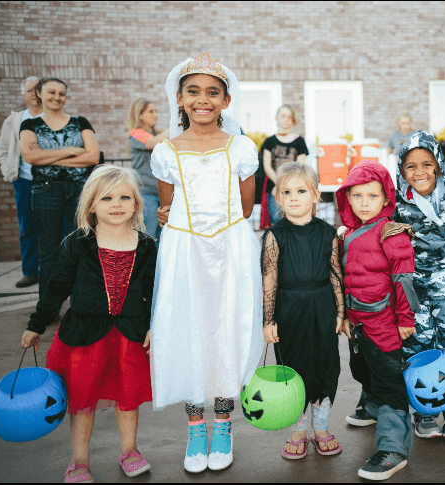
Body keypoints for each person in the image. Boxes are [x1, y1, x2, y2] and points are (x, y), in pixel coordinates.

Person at [149, 53, 263, 474]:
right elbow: (168, 207)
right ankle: (196, 428)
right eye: (193, 92)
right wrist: (170, 216)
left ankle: (223, 423)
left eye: (213, 92)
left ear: (226, 101)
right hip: (185, 253)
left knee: (225, 330)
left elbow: (246, 207)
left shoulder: (241, 148)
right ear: (180, 99)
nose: (203, 100)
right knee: (189, 331)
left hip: (230, 251)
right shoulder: (166, 152)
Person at [20, 165, 156, 482]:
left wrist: (153, 324)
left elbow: (153, 291)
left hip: (130, 335)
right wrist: (37, 324)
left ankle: (130, 451)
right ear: (91, 205)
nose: (116, 204)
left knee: (127, 398)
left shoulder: (147, 245)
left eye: (124, 197)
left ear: (136, 203)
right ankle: (79, 461)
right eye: (106, 198)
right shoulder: (78, 243)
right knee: (82, 401)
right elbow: (57, 286)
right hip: (84, 335)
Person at [335, 161, 418, 480]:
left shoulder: (391, 232)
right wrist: (346, 317)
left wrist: (405, 318)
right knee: (363, 369)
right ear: (347, 198)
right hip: (358, 323)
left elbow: (403, 279)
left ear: (386, 198)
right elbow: (348, 279)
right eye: (357, 196)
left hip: (385, 323)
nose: (365, 203)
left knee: (388, 381)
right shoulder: (349, 233)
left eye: (372, 195)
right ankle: (371, 408)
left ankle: (393, 448)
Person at [391, 131, 445, 440]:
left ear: (439, 165)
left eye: (427, 164)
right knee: (417, 349)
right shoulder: (396, 207)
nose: (420, 172)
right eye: (411, 166)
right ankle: (424, 412)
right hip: (413, 298)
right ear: (401, 171)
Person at [261, 162, 346, 459]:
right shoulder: (274, 235)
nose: (293, 197)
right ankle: (298, 430)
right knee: (293, 368)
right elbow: (269, 279)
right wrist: (268, 320)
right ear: (278, 198)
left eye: (301, 191)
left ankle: (321, 428)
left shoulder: (328, 232)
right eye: (286, 192)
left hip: (322, 307)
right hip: (289, 310)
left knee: (326, 365)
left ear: (316, 195)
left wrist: (341, 312)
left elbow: (336, 273)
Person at [20, 78, 100, 298]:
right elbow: (29, 156)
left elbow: (93, 157)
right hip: (46, 191)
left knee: (80, 246)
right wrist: (72, 151)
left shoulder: (80, 122)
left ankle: (79, 303)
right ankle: (49, 306)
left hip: (79, 191)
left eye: (62, 94)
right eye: (51, 92)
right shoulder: (30, 125)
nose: (57, 97)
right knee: (49, 251)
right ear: (39, 93)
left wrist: (46, 157)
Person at [0, 76, 42, 288]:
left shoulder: (51, 117)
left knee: (55, 228)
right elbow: (3, 149)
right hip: (24, 182)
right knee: (27, 228)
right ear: (23, 95)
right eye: (30, 90)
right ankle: (31, 272)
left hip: (50, 183)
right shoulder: (14, 120)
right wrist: (10, 173)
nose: (35, 93)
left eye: (38, 89)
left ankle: (55, 272)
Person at [127, 98, 169, 243]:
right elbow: (151, 143)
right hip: (146, 193)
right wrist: (175, 126)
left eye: (155, 111)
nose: (155, 115)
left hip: (164, 193)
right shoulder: (136, 133)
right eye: (151, 111)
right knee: (148, 236)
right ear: (139, 115)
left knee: (164, 236)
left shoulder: (159, 133)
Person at [260, 105, 309, 226]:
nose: (286, 120)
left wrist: (285, 186)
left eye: (289, 117)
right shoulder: (269, 141)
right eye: (282, 116)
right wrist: (279, 185)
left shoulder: (299, 141)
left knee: (295, 222)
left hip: (294, 188)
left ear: (293, 120)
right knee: (277, 223)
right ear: (276, 118)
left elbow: (300, 167)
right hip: (274, 188)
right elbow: (267, 167)